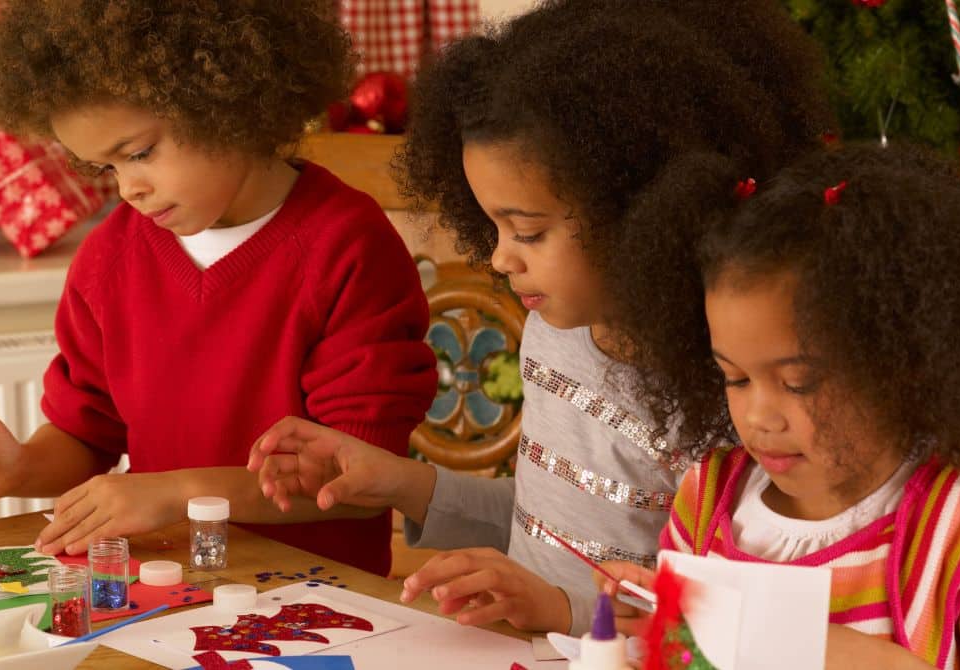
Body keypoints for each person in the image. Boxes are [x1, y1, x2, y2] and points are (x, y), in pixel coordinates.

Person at [247, 0, 834, 634]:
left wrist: (566, 611)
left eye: (527, 231)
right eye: (493, 223)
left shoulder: (737, 394)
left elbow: (737, 622)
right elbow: (551, 524)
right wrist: (402, 485)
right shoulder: (556, 335)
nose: (500, 257)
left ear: (640, 210)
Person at [0, 0, 436, 576]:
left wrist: (178, 494)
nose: (128, 189)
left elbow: (359, 481)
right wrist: (17, 469)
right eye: (107, 168)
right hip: (166, 599)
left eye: (140, 153)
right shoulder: (108, 260)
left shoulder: (346, 247)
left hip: (316, 600)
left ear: (231, 101)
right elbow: (85, 432)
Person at [600, 143, 960, 669]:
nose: (759, 416)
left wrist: (867, 660)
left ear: (900, 363)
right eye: (735, 378)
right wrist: (658, 631)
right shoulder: (709, 500)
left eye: (800, 382)